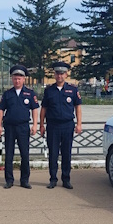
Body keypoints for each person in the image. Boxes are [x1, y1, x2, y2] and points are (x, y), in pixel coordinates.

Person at [39, 61, 83, 189]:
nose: (60, 76)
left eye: (62, 73)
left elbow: (78, 107)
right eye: (57, 73)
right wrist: (41, 125)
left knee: (66, 153)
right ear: (54, 74)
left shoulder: (73, 90)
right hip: (52, 126)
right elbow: (43, 109)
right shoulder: (49, 90)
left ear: (66, 74)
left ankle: (66, 179)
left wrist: (79, 124)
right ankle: (53, 179)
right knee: (53, 154)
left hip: (67, 125)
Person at [0, 65, 39, 189]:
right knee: (9, 154)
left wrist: (35, 125)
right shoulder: (7, 94)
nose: (17, 80)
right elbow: (1, 110)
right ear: (12, 79)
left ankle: (24, 180)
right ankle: (9, 180)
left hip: (23, 127)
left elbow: (35, 109)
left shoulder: (30, 93)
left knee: (25, 154)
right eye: (15, 78)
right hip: (9, 127)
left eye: (19, 78)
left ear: (24, 79)